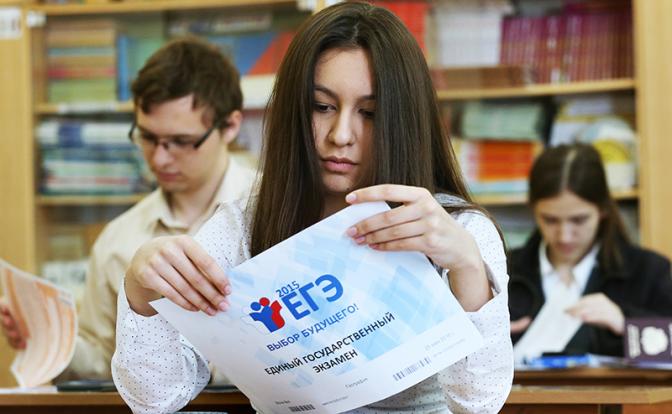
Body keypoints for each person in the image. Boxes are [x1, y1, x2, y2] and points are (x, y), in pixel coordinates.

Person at [112, 2, 513, 413]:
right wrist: (141, 291)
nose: (340, 135)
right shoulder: (243, 224)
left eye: (370, 113)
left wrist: (467, 268)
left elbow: (479, 404)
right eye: (322, 107)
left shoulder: (455, 230)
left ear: (403, 121)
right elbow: (156, 398)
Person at [0, 37, 256, 380]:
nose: (160, 158)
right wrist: (47, 340)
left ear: (230, 126)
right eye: (147, 138)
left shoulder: (271, 209)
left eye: (181, 141)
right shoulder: (117, 240)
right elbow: (104, 361)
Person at [508, 143, 672, 356]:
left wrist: (624, 323)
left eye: (579, 220)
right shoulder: (502, 271)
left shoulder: (649, 272)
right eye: (550, 220)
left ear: (603, 210)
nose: (564, 236)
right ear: (532, 209)